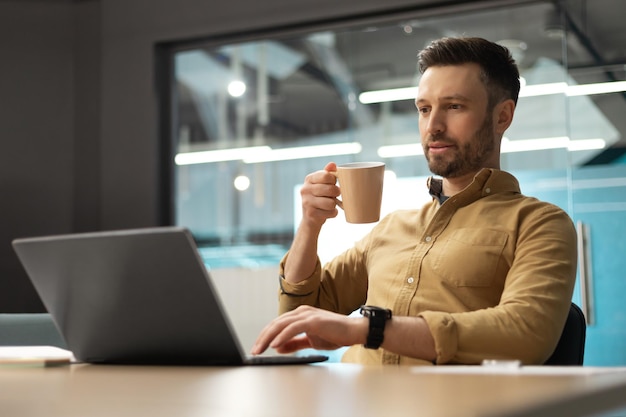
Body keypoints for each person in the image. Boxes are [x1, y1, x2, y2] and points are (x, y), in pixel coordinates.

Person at [251, 37, 578, 365]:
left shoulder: (539, 223)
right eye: (424, 109)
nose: (432, 127)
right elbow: (295, 317)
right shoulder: (392, 227)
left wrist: (369, 329)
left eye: (454, 106)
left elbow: (525, 333)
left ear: (502, 116)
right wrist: (310, 224)